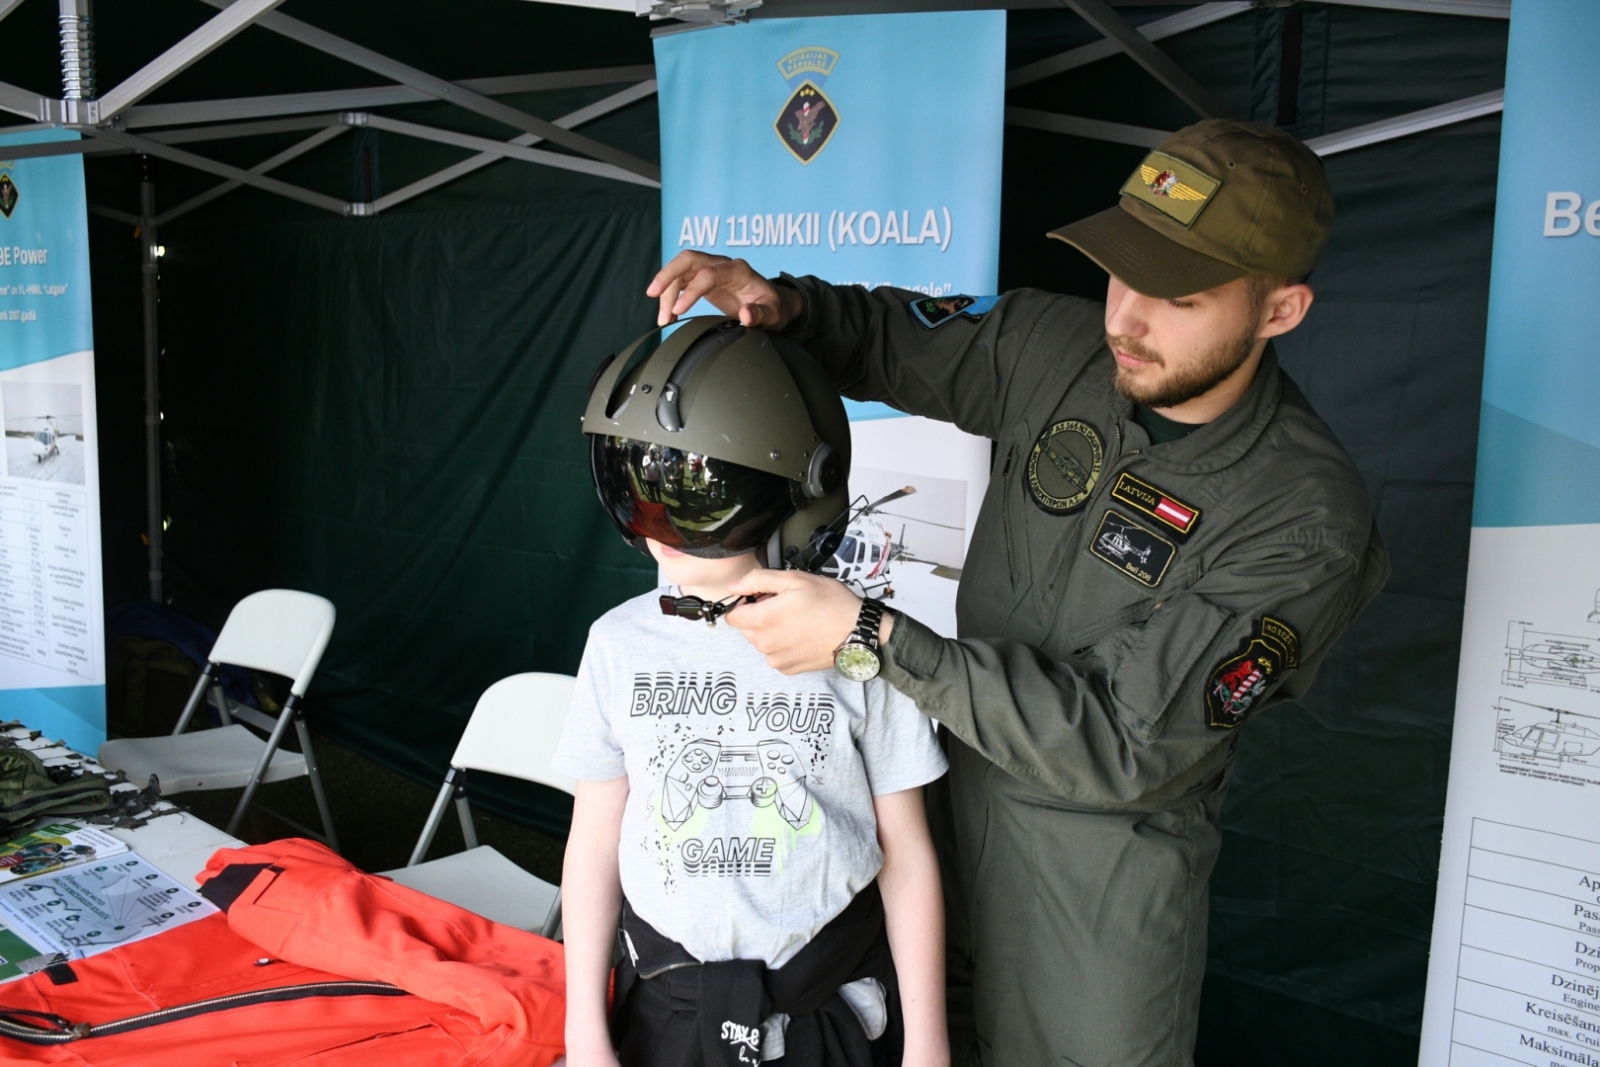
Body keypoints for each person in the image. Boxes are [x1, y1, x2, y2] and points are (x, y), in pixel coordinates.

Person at [644, 119, 1391, 1067]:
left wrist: (873, 637)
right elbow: (886, 338)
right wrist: (782, 305)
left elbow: (1128, 745)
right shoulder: (1061, 344)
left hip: (1094, 886)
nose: (1126, 316)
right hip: (940, 817)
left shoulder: (1303, 515)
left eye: (1179, 297)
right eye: (1123, 273)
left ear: (1280, 311)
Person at [556, 321, 951, 1067]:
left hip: (827, 1010)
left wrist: (927, 1045)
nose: (657, 526)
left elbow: (907, 853)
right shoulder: (617, 643)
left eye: (694, 493)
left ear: (791, 493)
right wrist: (585, 1031)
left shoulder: (860, 642)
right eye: (634, 486)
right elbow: (594, 843)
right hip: (668, 1007)